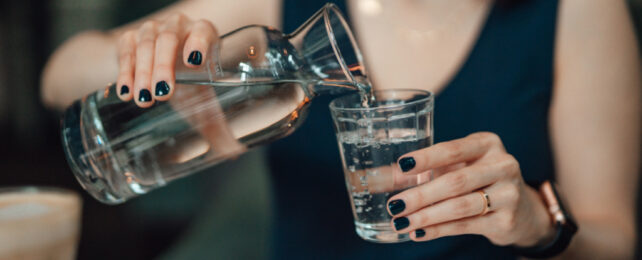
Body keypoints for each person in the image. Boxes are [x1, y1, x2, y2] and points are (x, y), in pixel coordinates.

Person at [41, 0, 640, 258]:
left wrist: (539, 223)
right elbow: (60, 75)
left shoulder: (577, 10)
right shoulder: (275, 9)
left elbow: (614, 239)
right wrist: (150, 58)